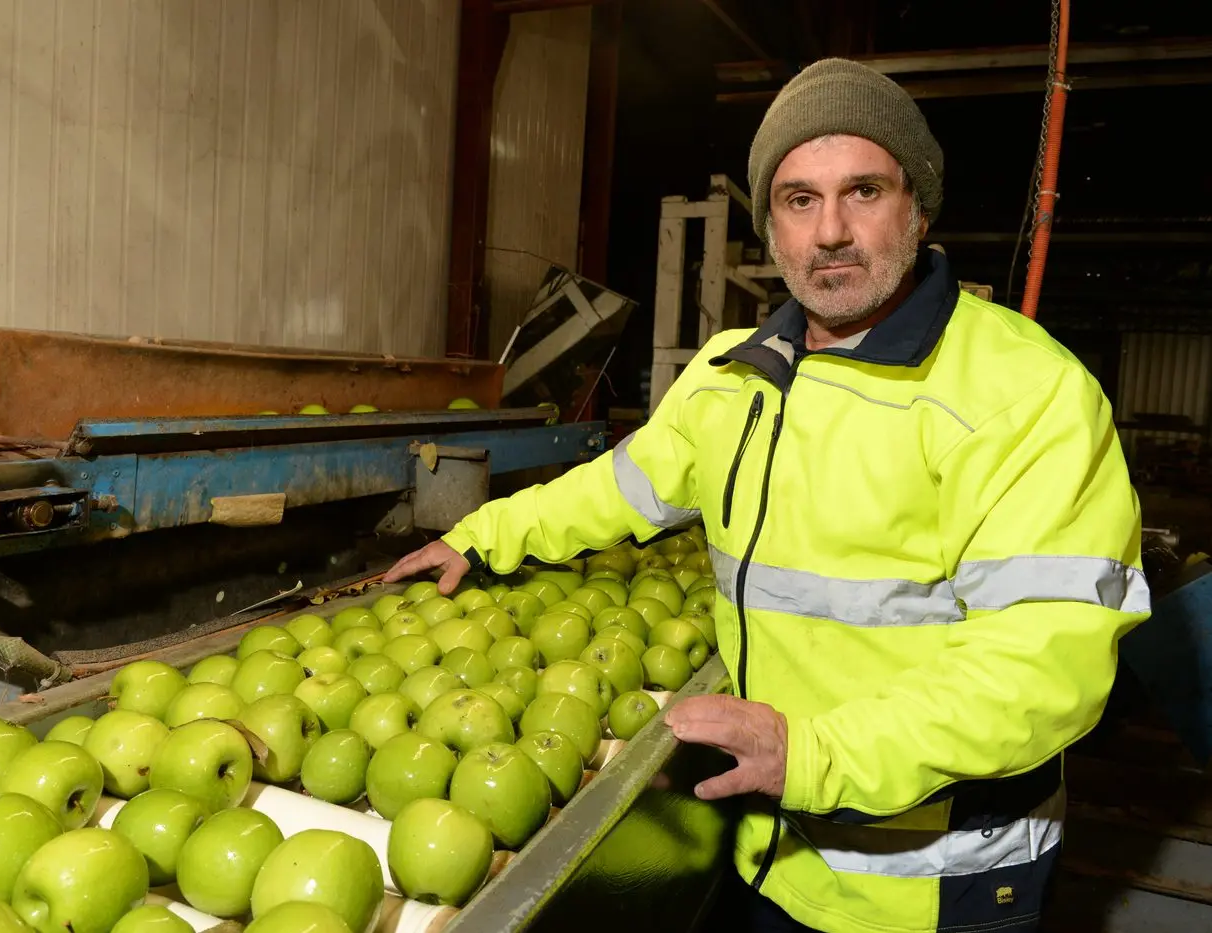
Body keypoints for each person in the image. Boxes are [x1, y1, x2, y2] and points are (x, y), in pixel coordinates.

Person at [384, 58, 1149, 933]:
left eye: (863, 190)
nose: (830, 231)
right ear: (770, 226)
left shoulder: (1024, 393)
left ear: (919, 205)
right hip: (773, 853)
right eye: (798, 199)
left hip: (931, 885)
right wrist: (480, 539)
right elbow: (621, 487)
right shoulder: (732, 374)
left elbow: (1044, 668)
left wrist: (812, 754)